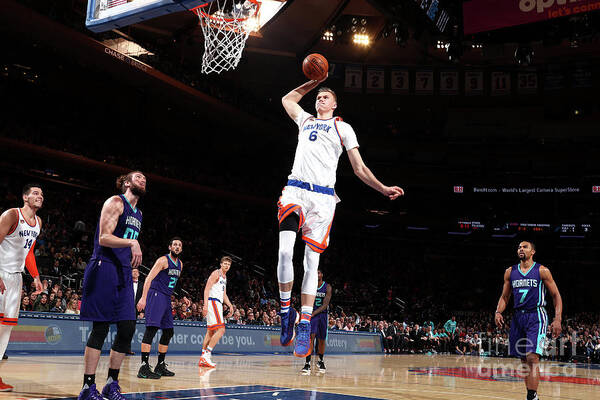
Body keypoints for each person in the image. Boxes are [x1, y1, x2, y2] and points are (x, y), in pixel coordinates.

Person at [278, 78, 404, 358]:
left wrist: (382, 188)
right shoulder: (305, 120)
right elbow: (287, 99)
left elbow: (359, 168)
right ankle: (286, 310)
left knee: (311, 262)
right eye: (318, 96)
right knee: (285, 252)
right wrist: (313, 81)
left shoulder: (342, 127)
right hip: (295, 190)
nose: (320, 98)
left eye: (326, 96)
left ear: (335, 104)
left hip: (323, 199)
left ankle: (304, 324)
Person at [78, 171, 146, 400]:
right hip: (104, 265)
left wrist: (129, 256)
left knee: (127, 328)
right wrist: (132, 242)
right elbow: (104, 238)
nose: (143, 180)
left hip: (124, 272)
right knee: (101, 328)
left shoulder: (139, 213)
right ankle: (88, 387)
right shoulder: (116, 202)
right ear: (127, 183)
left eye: (145, 178)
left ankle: (111, 383)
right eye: (138, 177)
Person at [495, 241, 563, 400]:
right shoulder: (510, 272)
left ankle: (531, 396)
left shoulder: (542, 270)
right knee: (524, 359)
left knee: (532, 357)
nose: (521, 249)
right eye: (519, 247)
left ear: (533, 251)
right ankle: (532, 395)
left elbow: (556, 296)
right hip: (518, 316)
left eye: (525, 247)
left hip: (536, 315)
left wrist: (557, 318)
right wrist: (498, 311)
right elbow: (505, 297)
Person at [0, 183, 44, 391]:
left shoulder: (38, 223)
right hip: (1, 273)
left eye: (42, 194)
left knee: (5, 328)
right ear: (25, 197)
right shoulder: (11, 215)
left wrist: (35, 276)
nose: (40, 196)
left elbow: (29, 252)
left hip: (16, 278)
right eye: (35, 193)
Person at [136, 237, 183, 379]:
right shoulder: (163, 260)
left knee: (168, 332)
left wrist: (182, 296)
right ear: (170, 247)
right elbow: (149, 278)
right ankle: (143, 367)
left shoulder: (180, 264)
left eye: (179, 245)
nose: (177, 247)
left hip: (167, 297)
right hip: (156, 294)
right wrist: (143, 298)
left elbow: (174, 283)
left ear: (181, 249)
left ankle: (160, 365)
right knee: (152, 329)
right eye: (174, 244)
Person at [198, 256, 234, 368]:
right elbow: (207, 289)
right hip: (213, 302)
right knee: (221, 330)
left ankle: (203, 356)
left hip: (218, 303)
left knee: (210, 332)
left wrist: (230, 305)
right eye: (225, 263)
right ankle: (207, 354)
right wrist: (205, 305)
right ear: (221, 264)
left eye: (228, 264)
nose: (227, 266)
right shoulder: (216, 274)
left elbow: (223, 294)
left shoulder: (224, 277)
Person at [301, 269, 331, 375]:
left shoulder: (327, 287)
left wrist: (314, 313)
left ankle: (320, 360)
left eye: (318, 272)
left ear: (322, 274)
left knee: (321, 340)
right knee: (310, 339)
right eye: (315, 272)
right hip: (311, 315)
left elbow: (325, 305)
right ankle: (307, 363)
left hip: (321, 315)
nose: (317, 274)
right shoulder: (310, 286)